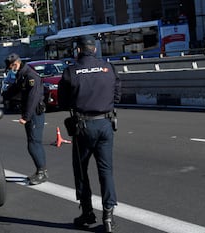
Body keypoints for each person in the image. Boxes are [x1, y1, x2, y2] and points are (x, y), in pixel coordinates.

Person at [58, 35, 121, 232]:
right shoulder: (108, 68)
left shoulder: (71, 71)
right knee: (106, 171)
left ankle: (87, 212)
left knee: (81, 171)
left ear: (78, 50)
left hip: (83, 127)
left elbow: (63, 101)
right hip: (106, 123)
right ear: (94, 49)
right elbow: (117, 94)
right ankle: (109, 216)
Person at [0, 53, 48, 185]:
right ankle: (40, 171)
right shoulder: (22, 75)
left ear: (15, 64)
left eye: (11, 67)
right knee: (33, 143)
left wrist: (26, 117)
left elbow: (33, 98)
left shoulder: (30, 76)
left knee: (34, 144)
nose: (11, 70)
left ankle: (42, 172)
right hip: (31, 114)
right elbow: (13, 91)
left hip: (35, 114)